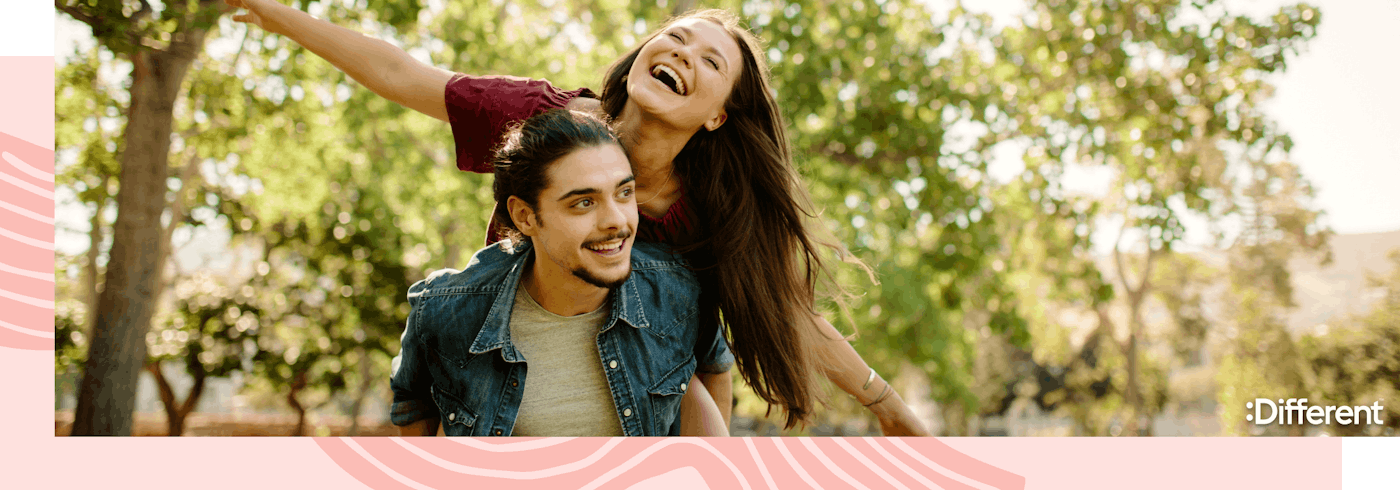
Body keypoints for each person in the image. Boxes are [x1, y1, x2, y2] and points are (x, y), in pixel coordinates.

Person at [229, 0, 930, 435]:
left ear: (718, 113)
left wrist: (888, 407)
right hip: (516, 365)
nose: (682, 53)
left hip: (648, 390)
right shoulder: (549, 123)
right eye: (675, 39)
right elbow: (409, 76)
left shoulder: (710, 211)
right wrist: (273, 12)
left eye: (708, 61)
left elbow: (790, 312)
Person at [391, 109, 732, 436]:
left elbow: (714, 369)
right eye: (584, 202)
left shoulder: (677, 291)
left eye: (624, 193)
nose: (617, 220)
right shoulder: (444, 312)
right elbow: (413, 407)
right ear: (526, 216)